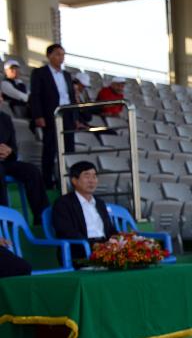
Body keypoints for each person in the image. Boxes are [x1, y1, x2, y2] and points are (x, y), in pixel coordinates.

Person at [29, 43, 79, 188]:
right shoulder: (39, 73)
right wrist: (38, 115)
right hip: (50, 115)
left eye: (63, 54)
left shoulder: (67, 75)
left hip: (67, 114)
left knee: (69, 148)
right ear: (49, 55)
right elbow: (35, 95)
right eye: (57, 54)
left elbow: (71, 97)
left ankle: (68, 181)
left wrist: (75, 117)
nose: (61, 57)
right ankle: (47, 181)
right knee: (50, 149)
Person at [52, 160, 116, 261]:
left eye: (94, 176)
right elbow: (66, 231)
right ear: (74, 180)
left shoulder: (100, 203)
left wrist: (120, 240)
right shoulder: (63, 203)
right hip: (80, 248)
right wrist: (94, 246)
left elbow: (110, 230)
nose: (92, 180)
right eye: (87, 176)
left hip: (105, 246)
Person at [0, 106, 50, 225]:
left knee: (32, 171)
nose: (1, 99)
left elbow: (13, 147)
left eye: (1, 95)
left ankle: (42, 217)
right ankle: (4, 218)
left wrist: (9, 151)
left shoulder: (5, 118)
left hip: (5, 161)